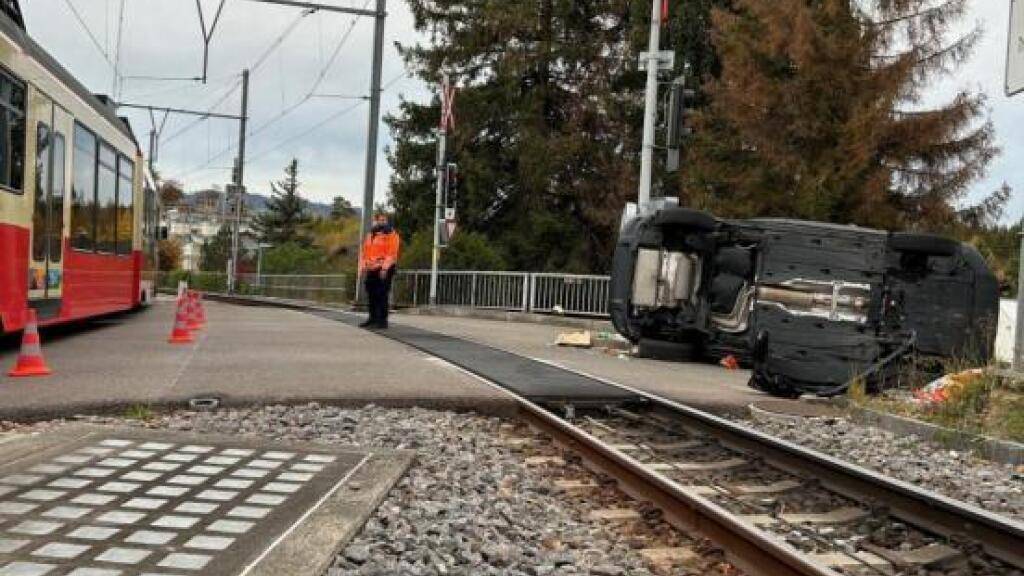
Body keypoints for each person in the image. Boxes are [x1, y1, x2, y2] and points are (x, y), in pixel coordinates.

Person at [359, 212, 401, 329]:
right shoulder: (371, 234)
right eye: (379, 220)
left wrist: (385, 268)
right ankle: (372, 318)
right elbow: (365, 252)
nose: (381, 222)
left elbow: (391, 253)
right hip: (371, 268)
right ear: (375, 221)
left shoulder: (392, 235)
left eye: (384, 220)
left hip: (384, 268)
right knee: (371, 294)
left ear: (387, 221)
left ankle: (382, 321)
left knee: (382, 294)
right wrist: (363, 267)